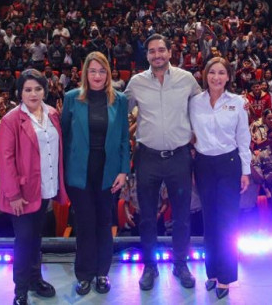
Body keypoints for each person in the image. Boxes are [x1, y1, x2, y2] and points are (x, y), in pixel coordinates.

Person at [125, 34, 202, 291]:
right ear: (146, 55)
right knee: (147, 217)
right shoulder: (136, 83)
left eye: (161, 50)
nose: (157, 55)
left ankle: (180, 263)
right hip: (147, 158)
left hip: (179, 157)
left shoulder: (186, 79)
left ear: (170, 52)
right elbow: (119, 112)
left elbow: (202, 108)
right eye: (152, 51)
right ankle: (150, 266)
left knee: (182, 216)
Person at [61, 51, 130, 295]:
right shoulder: (71, 98)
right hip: (79, 173)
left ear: (108, 74)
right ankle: (84, 275)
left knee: (104, 222)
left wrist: (124, 171)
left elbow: (124, 138)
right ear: (85, 73)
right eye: (93, 71)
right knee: (84, 224)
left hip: (108, 172)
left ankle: (102, 273)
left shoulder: (119, 100)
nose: (97, 75)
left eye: (102, 71)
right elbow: (65, 138)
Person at [0, 69, 68, 305]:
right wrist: (14, 195)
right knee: (24, 240)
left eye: (38, 88)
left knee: (37, 238)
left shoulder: (52, 114)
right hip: (23, 194)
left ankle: (36, 279)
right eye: (28, 89)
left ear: (45, 90)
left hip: (46, 187)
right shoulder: (11, 120)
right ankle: (20, 289)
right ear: (20, 93)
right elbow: (5, 160)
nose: (33, 93)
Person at [189, 57, 251, 300]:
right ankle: (212, 273)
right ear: (205, 75)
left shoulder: (237, 103)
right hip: (203, 165)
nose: (216, 77)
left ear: (228, 77)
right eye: (212, 72)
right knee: (210, 222)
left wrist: (245, 171)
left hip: (229, 164)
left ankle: (225, 277)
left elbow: (244, 139)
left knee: (227, 222)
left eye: (221, 73)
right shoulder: (194, 103)